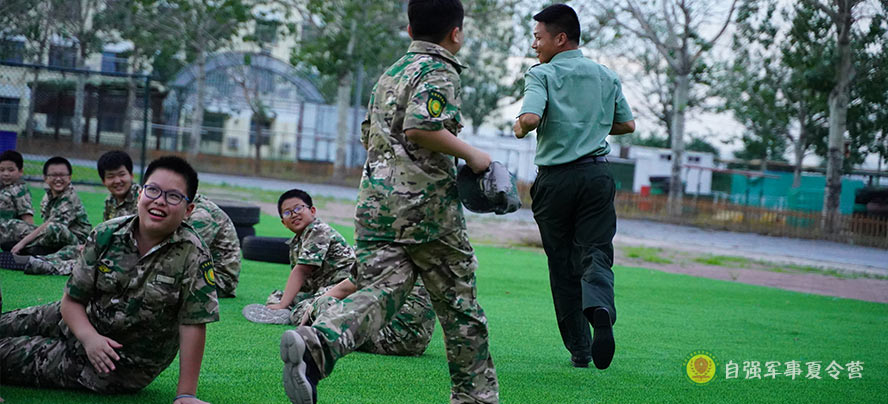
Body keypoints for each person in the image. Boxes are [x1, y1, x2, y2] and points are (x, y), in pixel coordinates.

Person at [279, 1, 499, 403]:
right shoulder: (438, 69)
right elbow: (421, 126)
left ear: (410, 28)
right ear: (456, 33)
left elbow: (369, 136)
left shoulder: (390, 74)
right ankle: (475, 398)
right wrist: (473, 156)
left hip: (376, 205)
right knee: (460, 306)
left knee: (383, 290)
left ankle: (318, 344)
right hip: (425, 210)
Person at [0, 156, 219, 404]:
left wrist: (186, 394)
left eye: (173, 196)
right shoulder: (107, 234)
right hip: (77, 321)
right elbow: (71, 302)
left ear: (188, 210)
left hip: (111, 365)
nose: (160, 200)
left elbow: (193, 324)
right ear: (140, 194)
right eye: (153, 190)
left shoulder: (193, 254)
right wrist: (89, 337)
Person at [512, 4, 635, 370]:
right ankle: (599, 307)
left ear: (560, 38)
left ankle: (580, 349)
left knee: (563, 265)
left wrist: (519, 127)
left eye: (538, 37)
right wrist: (591, 128)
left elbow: (530, 119)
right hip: (597, 176)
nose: (534, 44)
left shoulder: (542, 75)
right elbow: (626, 125)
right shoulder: (606, 76)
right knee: (596, 251)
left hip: (556, 180)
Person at [243, 189, 435, 356]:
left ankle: (296, 313)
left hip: (391, 338)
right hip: (413, 339)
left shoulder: (321, 231)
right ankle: (296, 309)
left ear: (312, 211)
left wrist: (305, 307)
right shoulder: (418, 248)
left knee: (320, 304)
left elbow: (310, 274)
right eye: (287, 212)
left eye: (298, 208)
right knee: (295, 297)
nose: (294, 214)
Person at [0, 156, 90, 258]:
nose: (58, 179)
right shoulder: (48, 196)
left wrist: (21, 243)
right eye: (53, 175)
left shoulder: (70, 198)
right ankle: (30, 250)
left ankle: (27, 253)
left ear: (69, 178)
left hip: (77, 242)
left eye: (62, 175)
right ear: (45, 178)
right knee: (12, 224)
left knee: (53, 228)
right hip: (53, 237)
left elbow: (51, 226)